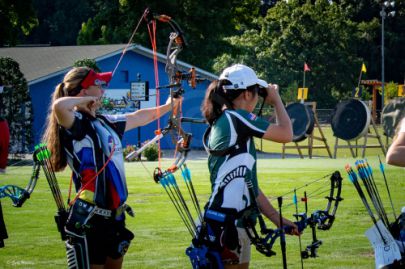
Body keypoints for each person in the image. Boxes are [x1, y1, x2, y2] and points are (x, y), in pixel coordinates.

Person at [42, 66, 181, 269]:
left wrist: (169, 106)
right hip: (91, 217)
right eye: (98, 85)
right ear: (82, 90)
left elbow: (141, 117)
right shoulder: (75, 123)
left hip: (115, 215)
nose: (103, 90)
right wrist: (84, 101)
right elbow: (59, 107)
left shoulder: (105, 122)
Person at [200, 64, 299, 269]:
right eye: (257, 93)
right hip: (226, 226)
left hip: (229, 224)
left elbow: (249, 184)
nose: (259, 98)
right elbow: (287, 134)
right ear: (246, 94)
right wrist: (276, 100)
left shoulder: (227, 121)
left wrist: (277, 219)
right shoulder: (237, 118)